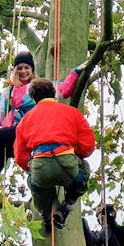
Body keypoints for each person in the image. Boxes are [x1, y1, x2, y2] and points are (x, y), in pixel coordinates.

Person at [0, 50, 84, 204]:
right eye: (20, 68)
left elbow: (64, 89)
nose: (23, 71)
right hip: (16, 137)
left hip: (29, 130)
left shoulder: (40, 87)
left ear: (32, 70)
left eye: (26, 68)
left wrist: (75, 72)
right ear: (15, 71)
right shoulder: (9, 92)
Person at [14, 78, 96, 233]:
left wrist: (31, 167)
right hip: (67, 164)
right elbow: (87, 146)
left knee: (35, 183)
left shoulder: (26, 120)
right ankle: (67, 204)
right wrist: (73, 153)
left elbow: (20, 156)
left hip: (41, 165)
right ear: (54, 93)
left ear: (34, 98)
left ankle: (46, 216)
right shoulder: (72, 113)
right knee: (84, 168)